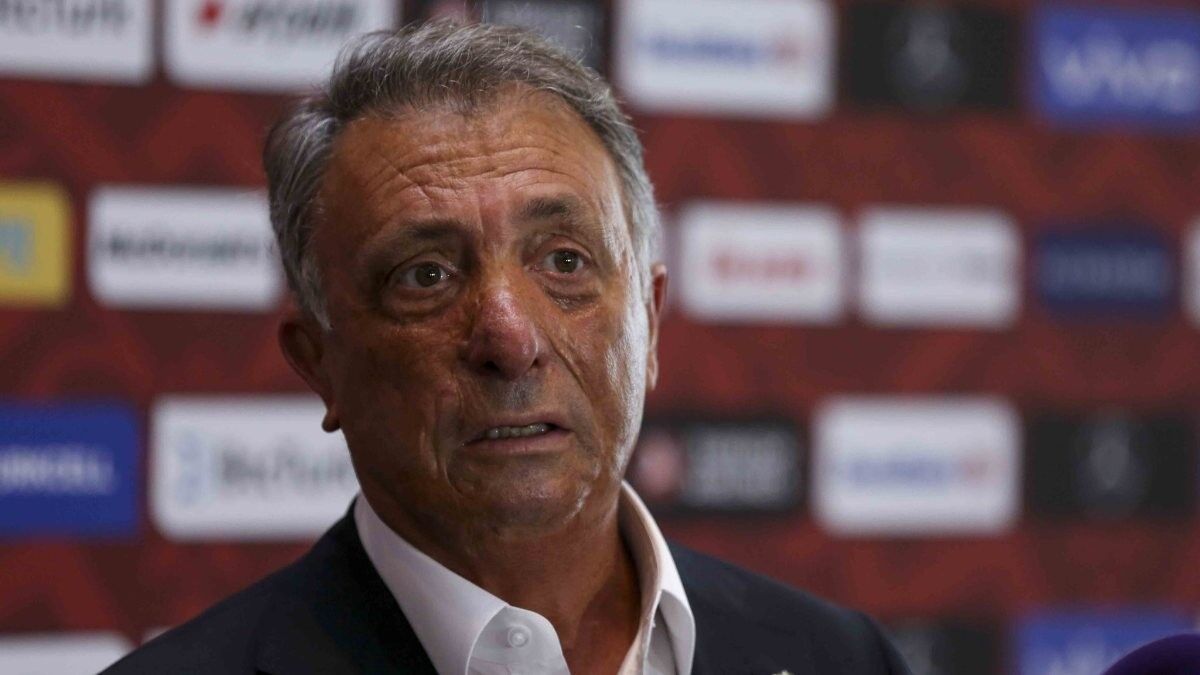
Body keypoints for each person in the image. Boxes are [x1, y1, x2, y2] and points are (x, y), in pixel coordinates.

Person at [105, 21, 911, 675]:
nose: (509, 337)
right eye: (425, 275)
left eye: (564, 261)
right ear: (320, 362)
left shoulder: (840, 657)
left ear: (649, 320)